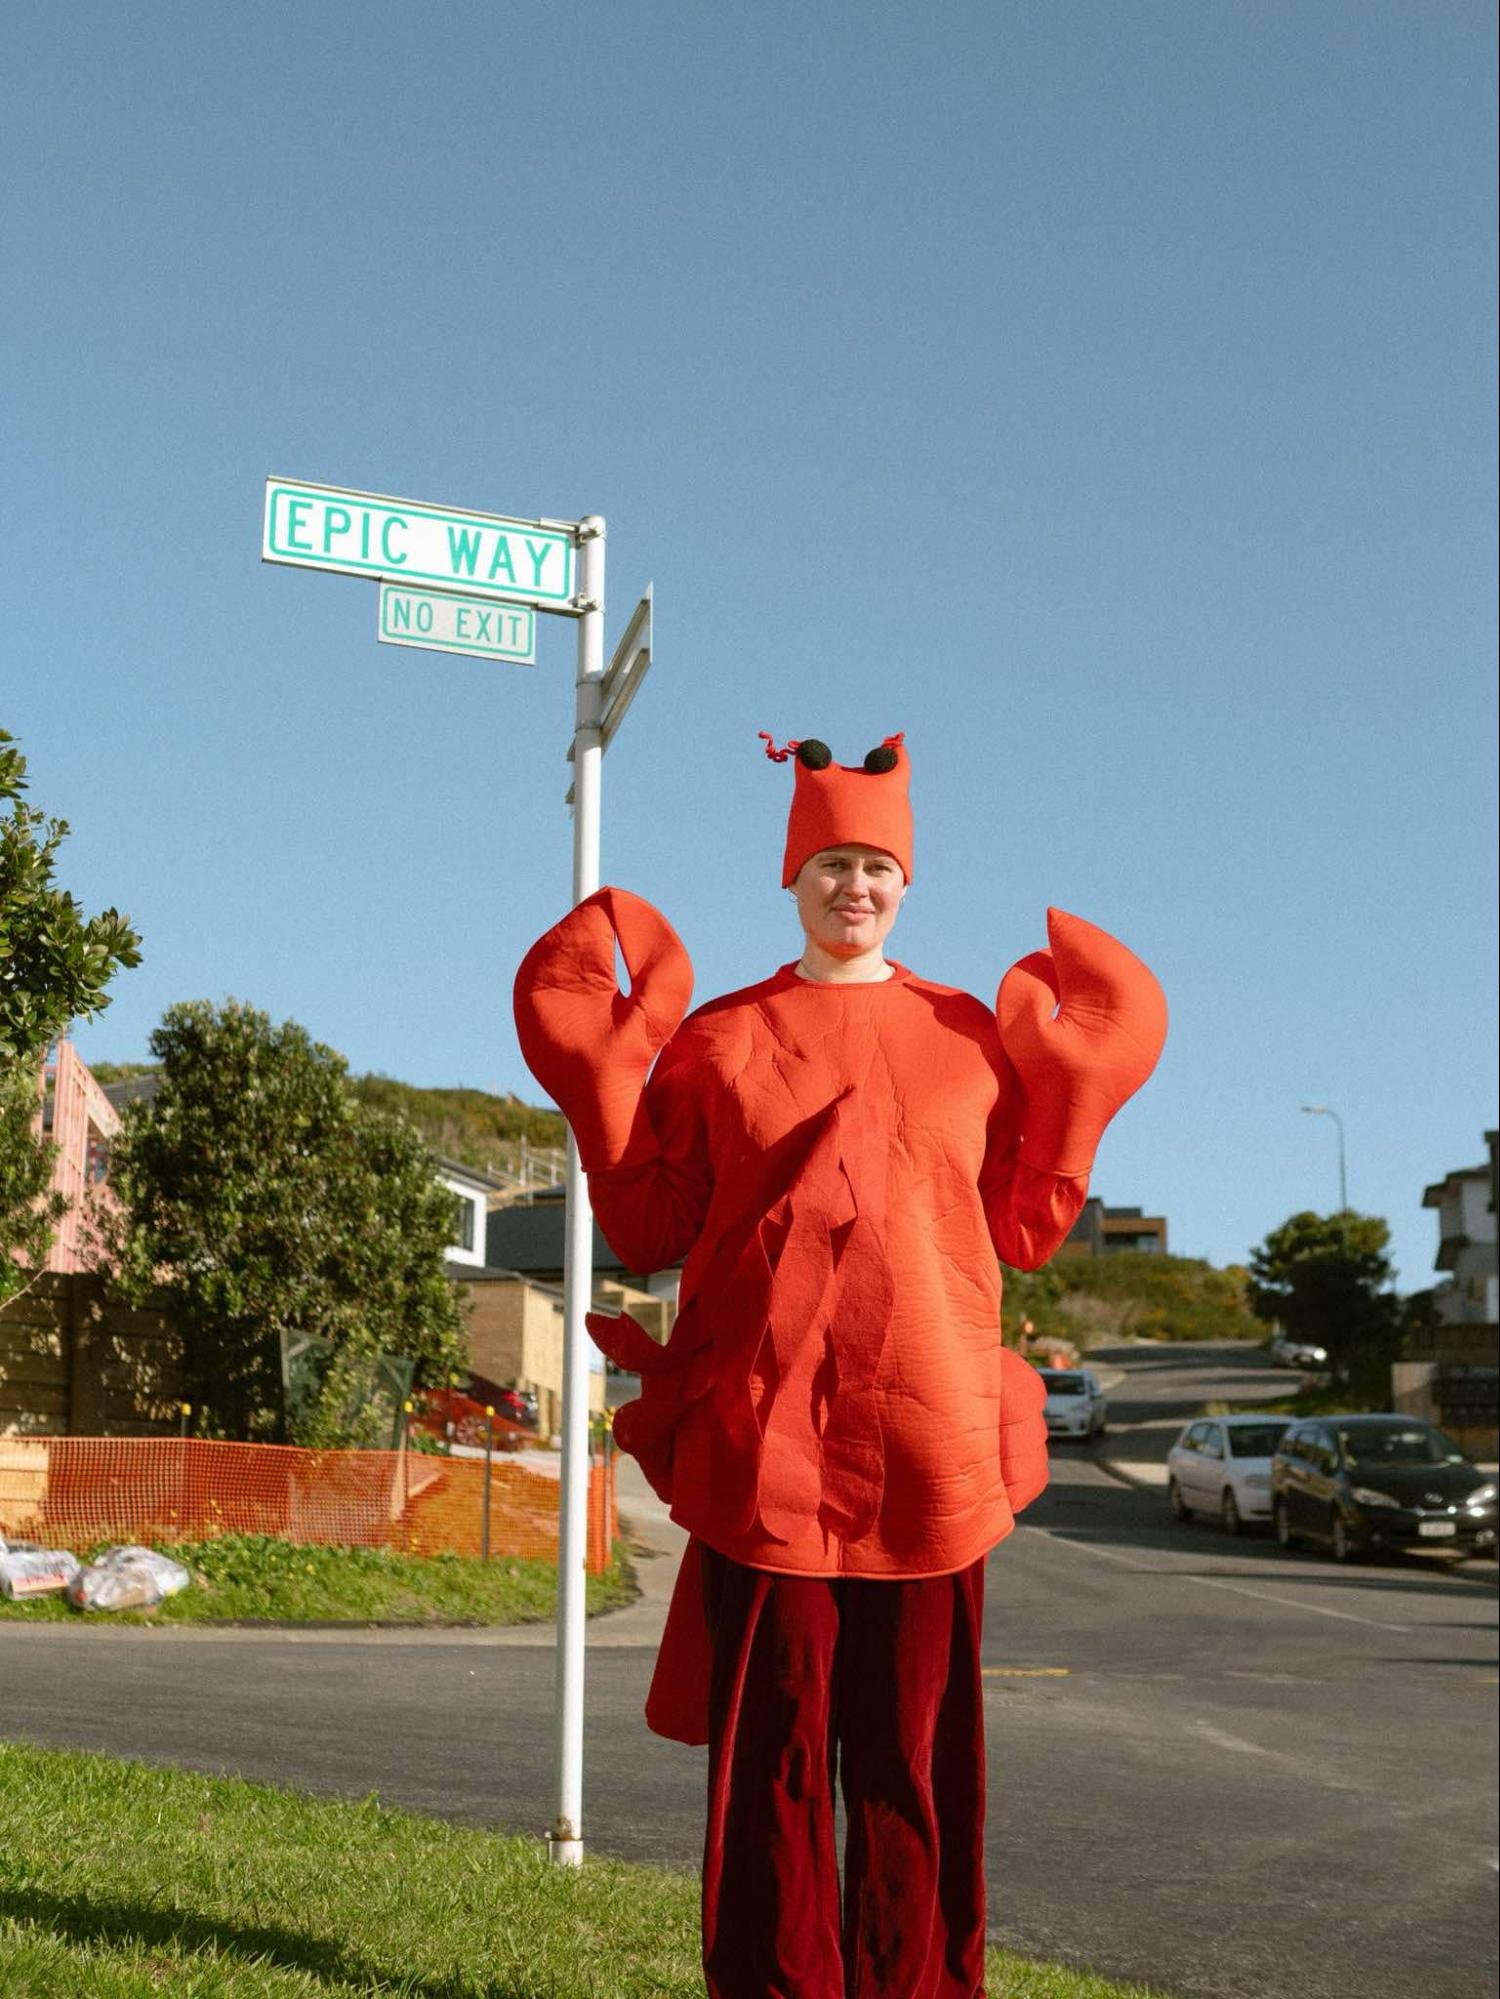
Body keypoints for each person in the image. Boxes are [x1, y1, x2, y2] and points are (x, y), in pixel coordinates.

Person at [513, 733, 1166, 1999]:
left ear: (904, 884)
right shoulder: (719, 1039)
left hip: (933, 1461)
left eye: (873, 865)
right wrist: (598, 1077)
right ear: (791, 878)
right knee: (774, 1758)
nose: (851, 885)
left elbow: (1025, 1228)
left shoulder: (972, 1037)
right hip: (770, 1457)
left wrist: (1083, 1093)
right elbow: (650, 1228)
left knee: (911, 1767)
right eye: (828, 863)